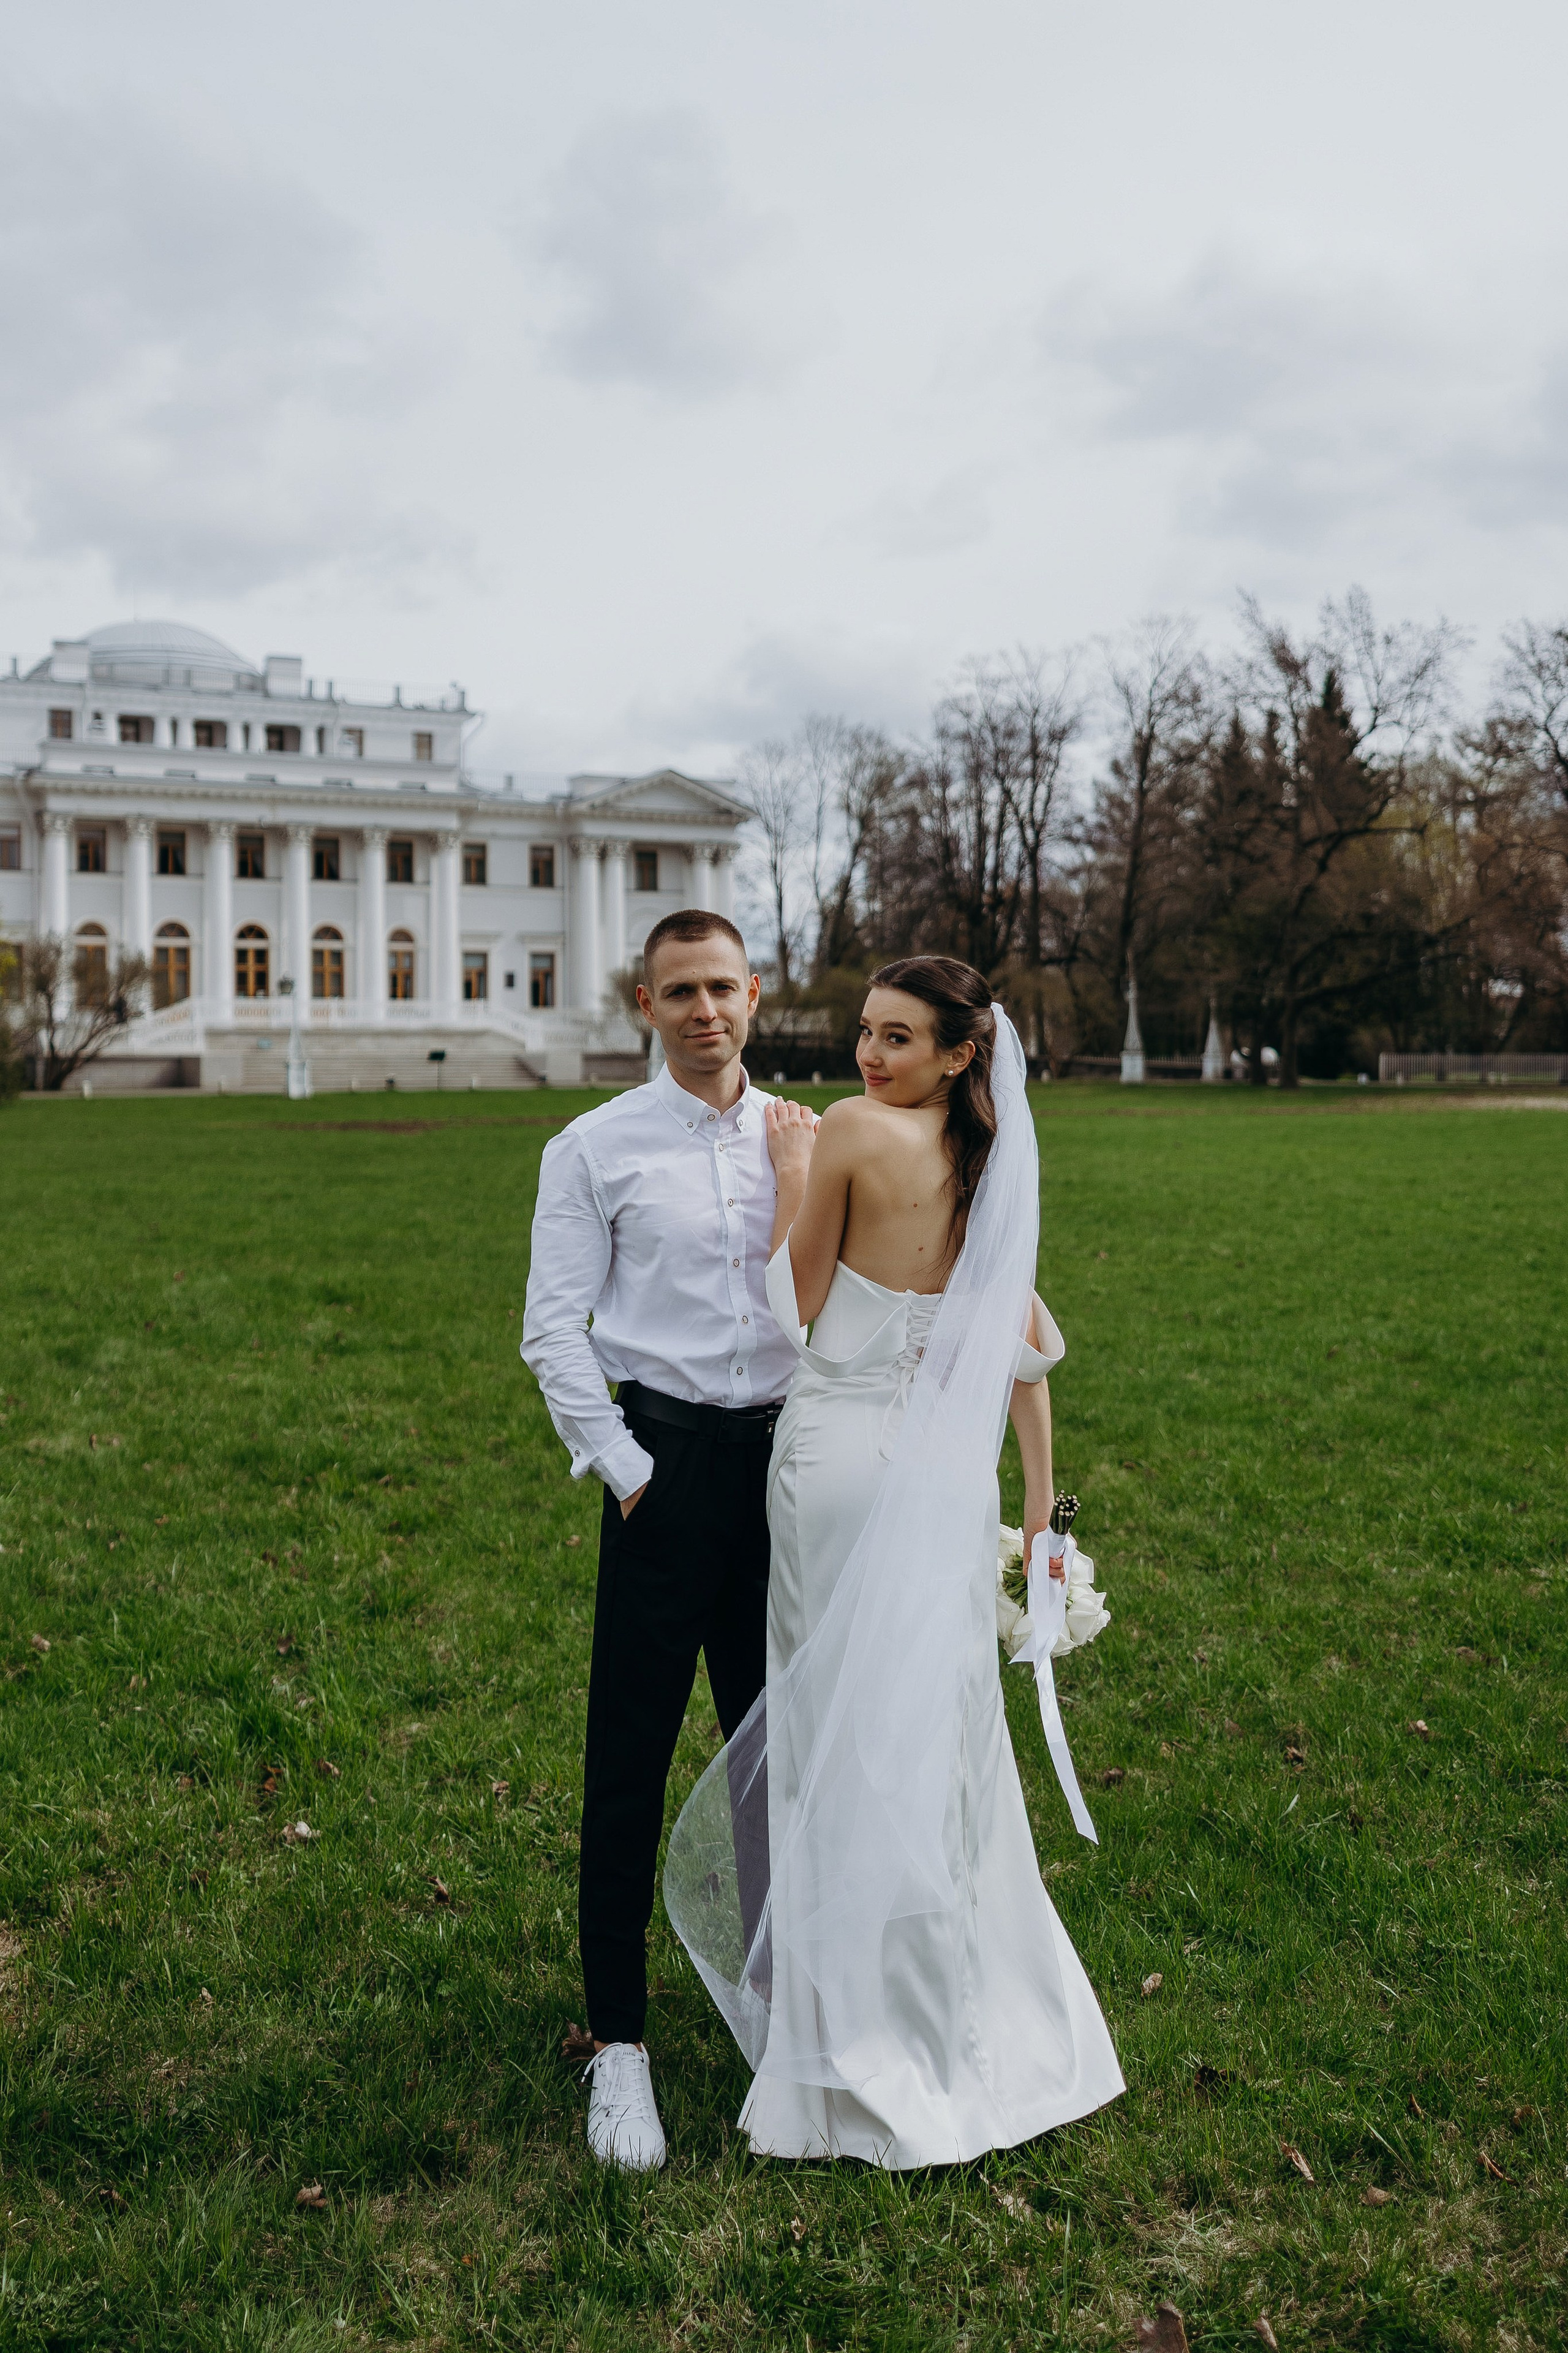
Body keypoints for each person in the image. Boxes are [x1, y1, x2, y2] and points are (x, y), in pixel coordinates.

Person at [665, 955, 1124, 2167]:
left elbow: (795, 1302)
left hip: (836, 1462)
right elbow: (1019, 1352)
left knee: (832, 1737)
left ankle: (839, 2044)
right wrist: (1037, 1514)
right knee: (939, 1735)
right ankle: (965, 2019)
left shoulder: (854, 1136)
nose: (868, 1058)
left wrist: (787, 1172)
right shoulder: (995, 1164)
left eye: (898, 1038)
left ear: (959, 1052)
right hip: (938, 1479)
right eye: (866, 1033)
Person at [521, 908, 816, 2172]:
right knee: (628, 1760)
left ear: (755, 994)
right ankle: (622, 2047)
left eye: (722, 988)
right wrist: (632, 1473)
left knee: (772, 1754)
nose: (704, 1010)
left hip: (786, 1469)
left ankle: (779, 2014)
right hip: (663, 1465)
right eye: (678, 991)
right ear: (645, 1004)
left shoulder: (807, 1136)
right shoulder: (593, 1147)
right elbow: (552, 1331)